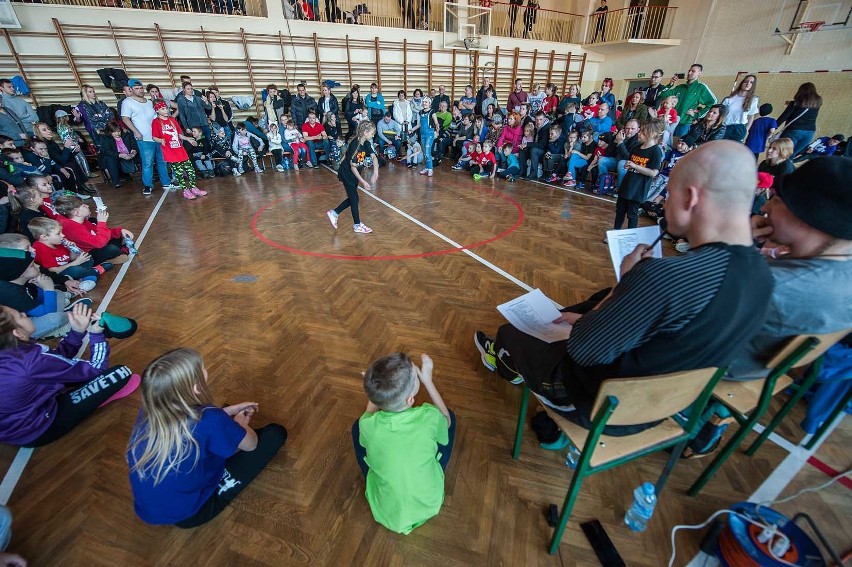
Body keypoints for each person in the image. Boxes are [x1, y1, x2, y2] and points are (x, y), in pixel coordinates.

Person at [475, 141, 774, 432]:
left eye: (667, 195)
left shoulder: (663, 277)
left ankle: (506, 364)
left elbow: (583, 351)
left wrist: (627, 283)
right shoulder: (764, 275)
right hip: (665, 405)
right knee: (594, 301)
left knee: (511, 333)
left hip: (603, 408)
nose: (663, 203)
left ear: (690, 198)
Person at [127, 347, 287, 527]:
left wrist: (226, 413)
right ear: (195, 387)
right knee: (275, 434)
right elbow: (251, 444)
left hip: (150, 510)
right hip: (191, 514)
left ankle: (228, 432)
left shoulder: (149, 411)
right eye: (202, 368)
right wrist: (240, 423)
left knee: (220, 434)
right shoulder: (211, 418)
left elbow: (192, 424)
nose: (206, 369)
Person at [729, 157, 852, 380]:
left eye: (777, 199)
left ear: (808, 214)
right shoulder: (843, 269)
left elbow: (682, 302)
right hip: (762, 371)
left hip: (706, 373)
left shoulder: (778, 286)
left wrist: (732, 242)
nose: (765, 207)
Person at [0, 301, 140, 446]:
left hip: (13, 426)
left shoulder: (13, 348)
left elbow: (54, 361)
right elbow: (97, 369)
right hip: (37, 430)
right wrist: (96, 336)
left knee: (66, 371)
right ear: (17, 333)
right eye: (21, 316)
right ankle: (93, 401)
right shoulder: (31, 360)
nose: (25, 314)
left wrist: (76, 332)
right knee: (120, 373)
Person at [352, 352, 453, 535]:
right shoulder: (429, 416)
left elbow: (367, 416)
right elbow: (446, 420)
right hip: (429, 502)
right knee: (448, 418)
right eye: (417, 377)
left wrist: (375, 394)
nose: (418, 375)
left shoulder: (368, 425)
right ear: (410, 399)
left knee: (357, 429)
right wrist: (428, 381)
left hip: (386, 512)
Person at [121, 78, 175, 195]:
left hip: (158, 137)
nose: (140, 90)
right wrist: (136, 132)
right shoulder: (128, 102)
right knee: (147, 163)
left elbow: (158, 118)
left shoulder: (150, 102)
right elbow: (125, 118)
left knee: (162, 161)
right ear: (131, 90)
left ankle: (166, 182)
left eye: (141, 88)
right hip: (144, 138)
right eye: (137, 89)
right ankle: (148, 185)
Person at [326, 120, 378, 234]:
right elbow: (353, 167)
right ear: (365, 132)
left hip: (354, 173)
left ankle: (334, 213)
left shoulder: (366, 143)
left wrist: (375, 172)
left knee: (354, 198)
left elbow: (374, 157)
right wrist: (363, 181)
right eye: (372, 133)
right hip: (347, 173)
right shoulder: (356, 146)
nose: (373, 135)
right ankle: (357, 225)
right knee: (354, 200)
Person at [614, 119, 665, 229]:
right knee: (620, 212)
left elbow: (653, 172)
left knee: (632, 215)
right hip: (627, 185)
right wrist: (629, 165)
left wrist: (635, 166)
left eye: (642, 131)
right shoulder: (636, 148)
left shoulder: (656, 151)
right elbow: (631, 161)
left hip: (638, 189)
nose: (639, 133)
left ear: (652, 134)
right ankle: (615, 233)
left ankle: (631, 238)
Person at [151, 101, 207, 200]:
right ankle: (185, 191)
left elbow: (179, 134)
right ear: (157, 110)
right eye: (163, 109)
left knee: (190, 170)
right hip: (170, 152)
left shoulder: (172, 119)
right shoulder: (156, 122)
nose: (166, 110)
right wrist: (160, 140)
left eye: (166, 108)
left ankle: (193, 187)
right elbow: (154, 137)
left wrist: (187, 139)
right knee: (179, 173)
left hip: (180, 150)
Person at [54, 195, 132, 265]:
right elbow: (99, 243)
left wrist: (120, 231)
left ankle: (116, 254)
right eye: (84, 206)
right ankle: (110, 258)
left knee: (115, 236)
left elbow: (97, 232)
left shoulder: (80, 220)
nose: (87, 206)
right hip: (86, 255)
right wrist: (102, 223)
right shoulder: (72, 228)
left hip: (93, 244)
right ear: (77, 213)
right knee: (112, 249)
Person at [30, 217, 103, 285]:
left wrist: (72, 249)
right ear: (44, 237)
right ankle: (95, 271)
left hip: (68, 266)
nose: (63, 235)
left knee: (87, 258)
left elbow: (70, 258)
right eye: (58, 234)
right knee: (75, 270)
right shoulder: (41, 249)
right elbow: (54, 271)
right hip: (60, 273)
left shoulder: (58, 242)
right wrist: (76, 262)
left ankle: (84, 276)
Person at [658, 64, 717, 138]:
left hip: (684, 124)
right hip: (670, 122)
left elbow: (713, 102)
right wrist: (670, 84)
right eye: (689, 71)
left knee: (678, 146)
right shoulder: (680, 87)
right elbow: (661, 94)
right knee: (664, 144)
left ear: (699, 73)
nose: (689, 73)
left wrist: (697, 115)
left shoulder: (701, 87)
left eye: (693, 71)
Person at [777, 82, 823, 157]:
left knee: (782, 154)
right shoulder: (817, 103)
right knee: (791, 155)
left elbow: (783, 118)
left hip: (793, 131)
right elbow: (806, 105)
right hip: (809, 133)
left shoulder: (795, 103)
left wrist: (772, 128)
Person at [721, 75, 759, 143]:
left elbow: (750, 117)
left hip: (739, 129)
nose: (748, 84)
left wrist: (746, 131)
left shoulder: (753, 100)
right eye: (746, 81)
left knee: (733, 151)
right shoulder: (729, 98)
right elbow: (721, 114)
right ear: (742, 83)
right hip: (725, 127)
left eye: (751, 82)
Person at [99, 122, 138, 188]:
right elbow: (106, 151)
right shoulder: (105, 138)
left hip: (128, 154)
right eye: (114, 132)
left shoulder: (126, 134)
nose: (117, 133)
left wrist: (133, 152)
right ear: (109, 132)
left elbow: (134, 145)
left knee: (141, 154)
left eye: (118, 131)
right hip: (115, 156)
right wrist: (120, 155)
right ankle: (116, 182)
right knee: (110, 159)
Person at [409, 97, 439, 177]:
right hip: (422, 134)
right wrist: (412, 129)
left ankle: (430, 169)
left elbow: (436, 123)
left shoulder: (432, 112)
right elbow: (419, 124)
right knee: (424, 152)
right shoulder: (420, 112)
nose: (424, 103)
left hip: (429, 133)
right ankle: (427, 167)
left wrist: (437, 131)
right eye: (424, 102)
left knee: (428, 151)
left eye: (426, 102)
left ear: (429, 104)